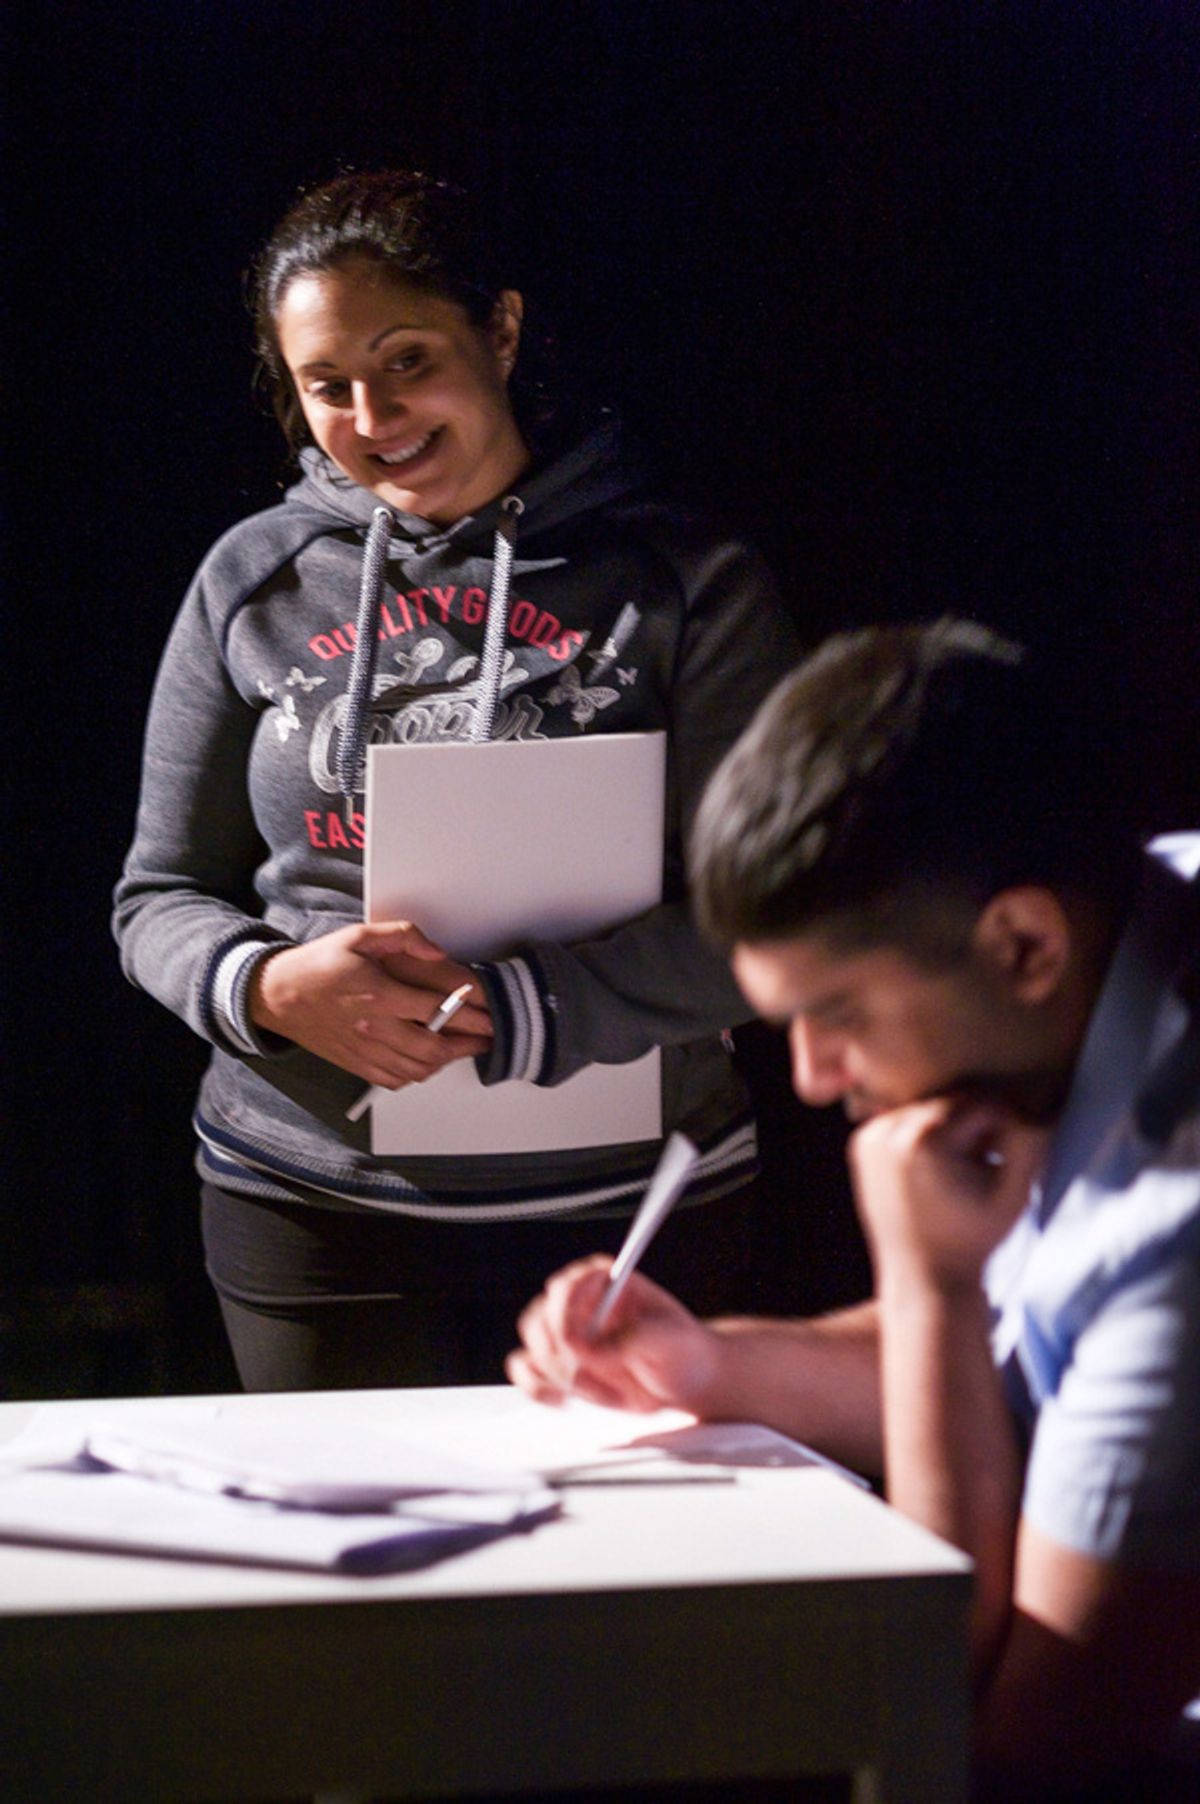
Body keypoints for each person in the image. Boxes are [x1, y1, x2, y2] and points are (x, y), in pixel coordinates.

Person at [113, 168, 800, 1392]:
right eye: (329, 386)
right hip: (309, 1209)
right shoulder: (253, 577)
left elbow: (770, 925)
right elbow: (156, 896)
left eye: (409, 360)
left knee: (613, 1579)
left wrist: (522, 1009)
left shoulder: (684, 577)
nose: (372, 415)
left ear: (503, 330)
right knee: (348, 1580)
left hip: (627, 1214)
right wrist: (265, 984)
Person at [508, 619, 1200, 1802]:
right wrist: (714, 1365)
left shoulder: (1178, 1231)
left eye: (838, 1015)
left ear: (1024, 943)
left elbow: (989, 1740)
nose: (818, 1078)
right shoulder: (1130, 922)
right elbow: (1034, 1367)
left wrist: (927, 1284)